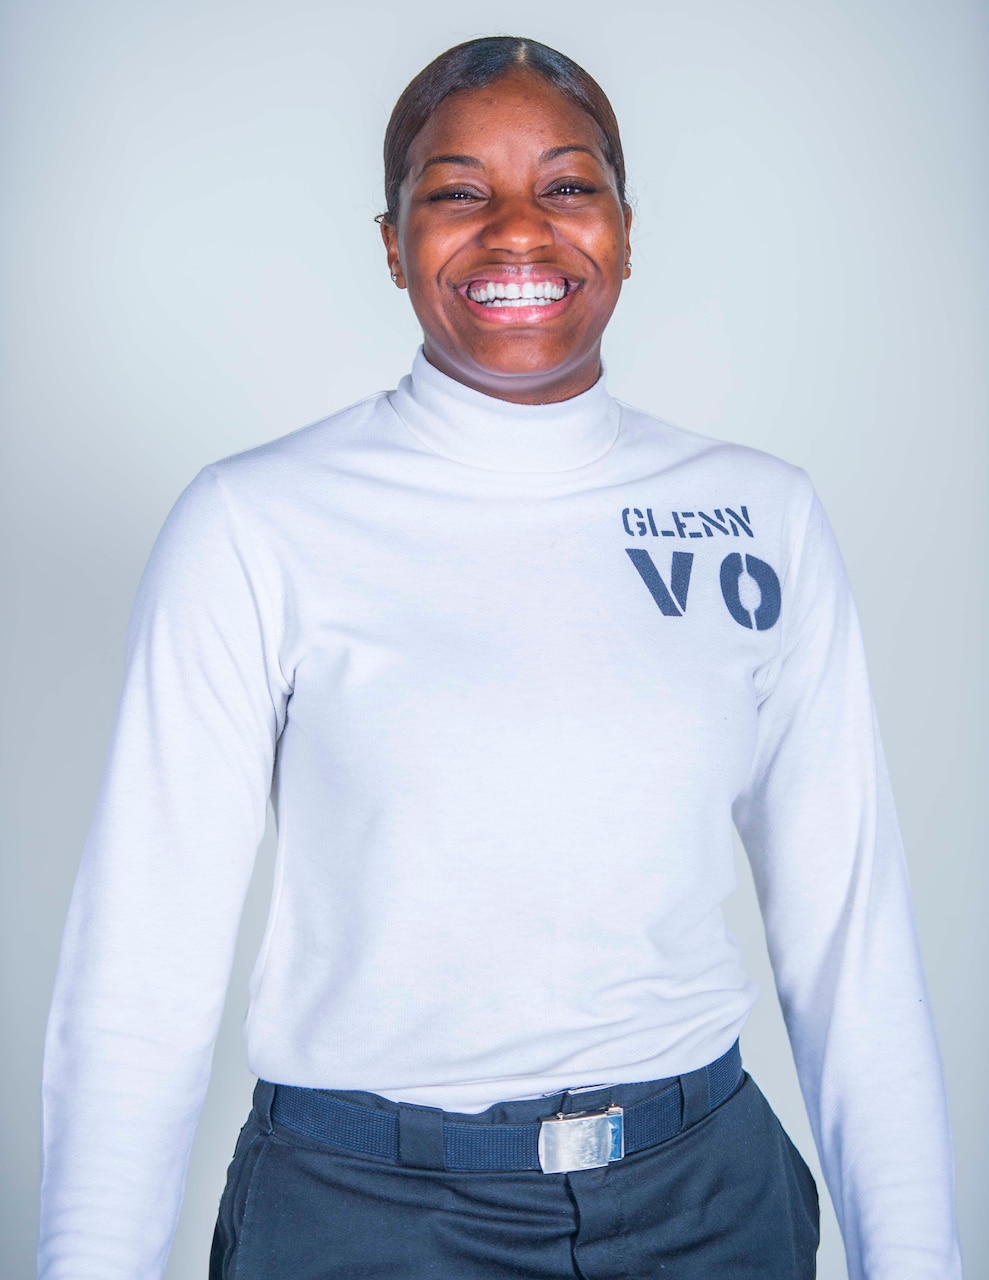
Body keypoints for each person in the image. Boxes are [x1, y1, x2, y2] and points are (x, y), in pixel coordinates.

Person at [38, 35, 962, 1280]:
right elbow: (140, 966)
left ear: (626, 229)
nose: (516, 230)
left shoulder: (759, 513)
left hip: (704, 1202)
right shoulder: (255, 521)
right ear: (390, 238)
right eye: (458, 191)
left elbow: (850, 941)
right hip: (363, 1213)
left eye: (567, 186)